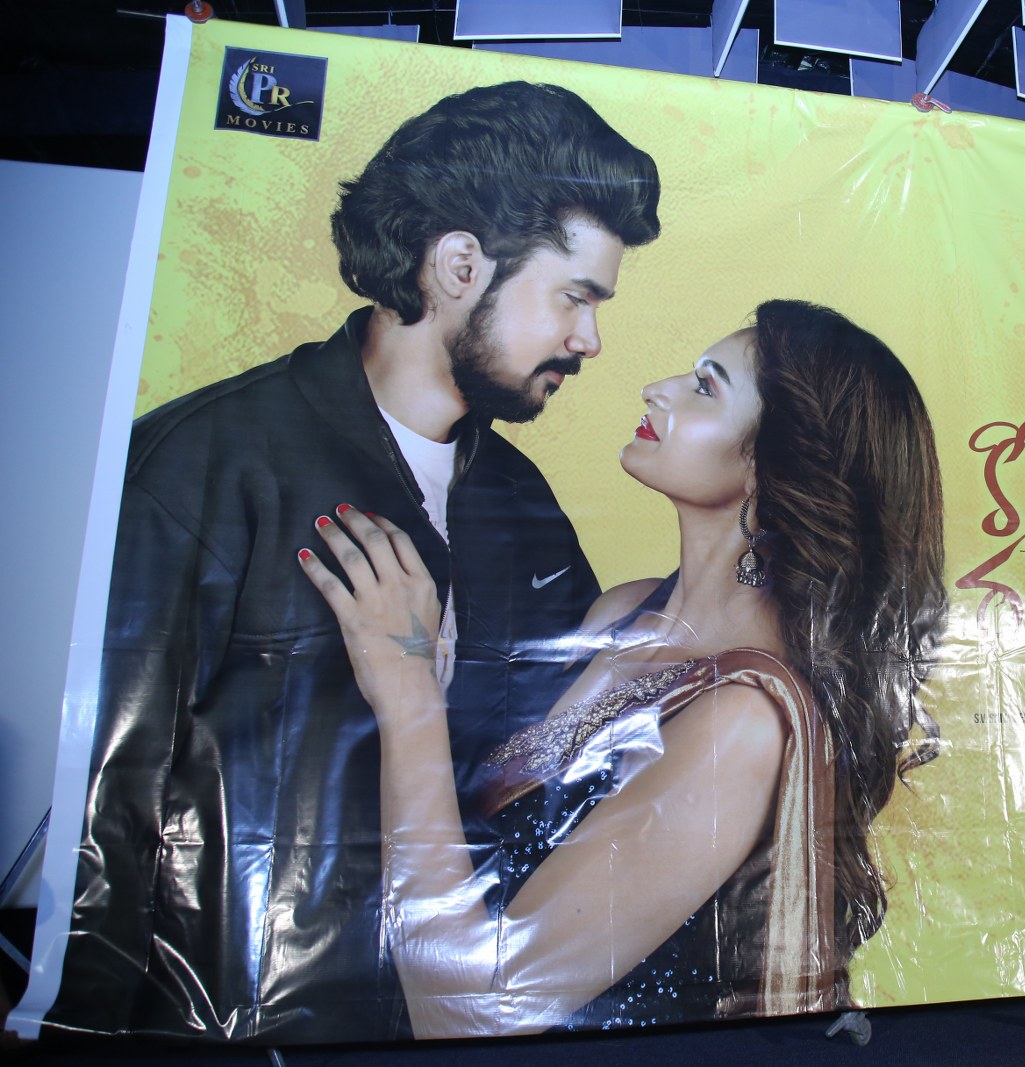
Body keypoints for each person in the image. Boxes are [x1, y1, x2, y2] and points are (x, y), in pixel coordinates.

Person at [48, 82, 660, 1041]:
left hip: (454, 1015)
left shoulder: (525, 504)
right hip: (236, 1030)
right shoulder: (203, 463)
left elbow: (550, 780)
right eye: (575, 296)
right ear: (459, 265)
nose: (590, 339)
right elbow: (108, 808)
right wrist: (78, 1030)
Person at [298, 300, 946, 1036]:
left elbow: (472, 1013)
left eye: (704, 387)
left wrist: (406, 690)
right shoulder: (624, 611)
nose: (656, 389)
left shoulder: (744, 723)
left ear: (772, 464)